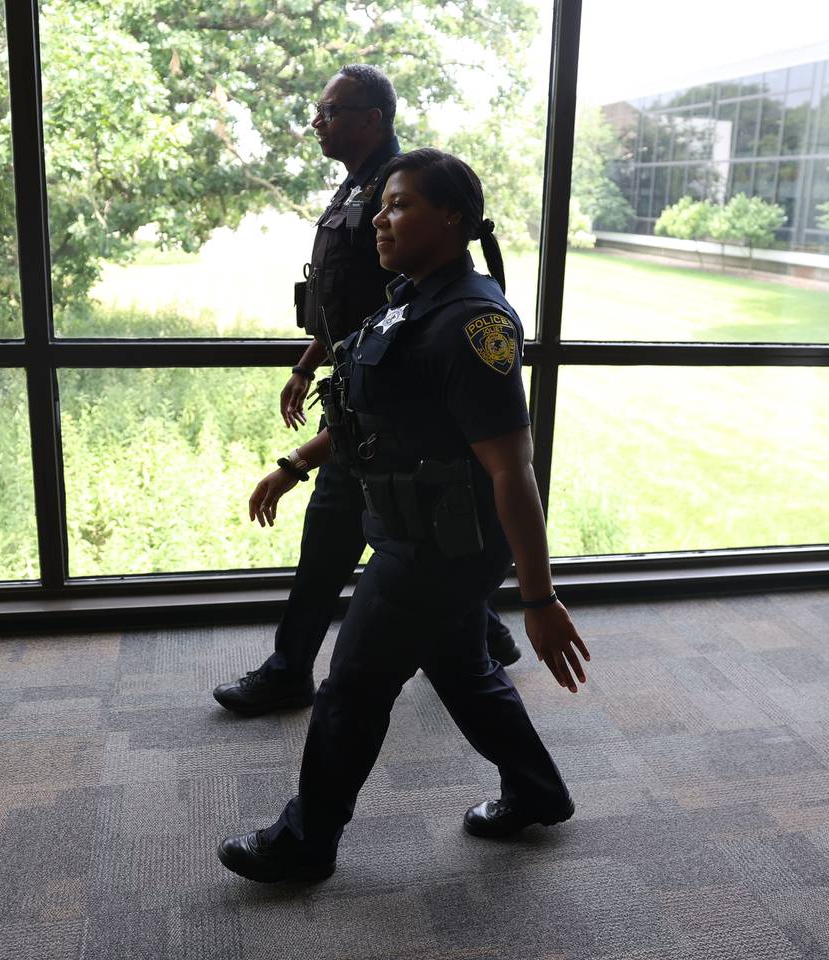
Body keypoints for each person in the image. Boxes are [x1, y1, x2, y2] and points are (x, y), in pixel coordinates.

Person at [219, 148, 592, 883]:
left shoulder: (471, 322)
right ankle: (538, 791)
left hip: (440, 548)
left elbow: (512, 468)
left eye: (400, 206)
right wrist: (295, 466)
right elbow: (369, 410)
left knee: (352, 687)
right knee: (462, 668)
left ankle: (306, 841)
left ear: (450, 216)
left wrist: (540, 597)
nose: (380, 221)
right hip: (410, 530)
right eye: (382, 205)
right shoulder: (407, 299)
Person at [212, 66, 520, 718]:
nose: (317, 121)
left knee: (334, 541)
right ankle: (480, 638)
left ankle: (291, 669)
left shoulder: (403, 188)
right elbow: (345, 303)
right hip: (363, 391)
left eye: (331, 110)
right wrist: (305, 364)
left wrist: (299, 458)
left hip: (386, 410)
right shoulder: (360, 190)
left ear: (372, 117)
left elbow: (399, 311)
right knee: (384, 555)